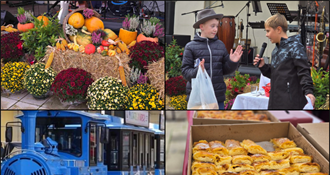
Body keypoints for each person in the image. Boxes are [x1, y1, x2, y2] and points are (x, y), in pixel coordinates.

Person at [181, 8, 243, 109]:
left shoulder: (220, 45)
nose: (215, 29)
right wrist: (198, 70)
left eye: (217, 26)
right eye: (212, 26)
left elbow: (226, 70)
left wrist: (232, 62)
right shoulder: (190, 47)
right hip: (197, 98)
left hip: (217, 98)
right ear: (202, 27)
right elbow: (185, 72)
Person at [253, 13, 315, 109]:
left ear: (278, 29)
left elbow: (304, 71)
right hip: (275, 100)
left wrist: (309, 92)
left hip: (291, 102)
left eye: (268, 31)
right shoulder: (275, 50)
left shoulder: (295, 47)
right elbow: (277, 74)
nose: (266, 35)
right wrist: (263, 66)